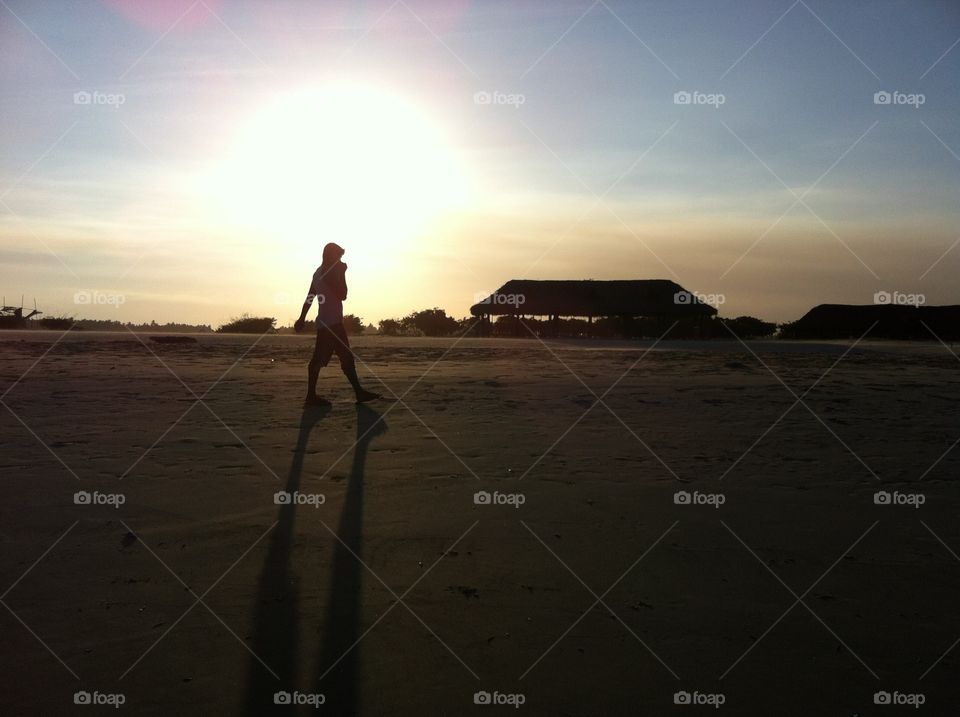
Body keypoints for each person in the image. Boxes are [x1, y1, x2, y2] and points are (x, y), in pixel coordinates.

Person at [294, 243, 381, 405]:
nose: (340, 260)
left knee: (341, 358)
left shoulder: (317, 273)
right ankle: (312, 396)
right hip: (332, 324)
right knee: (324, 360)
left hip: (326, 323)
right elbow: (343, 295)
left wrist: (301, 318)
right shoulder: (330, 273)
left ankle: (357, 392)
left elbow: (310, 298)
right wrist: (342, 273)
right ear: (331, 256)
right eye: (338, 256)